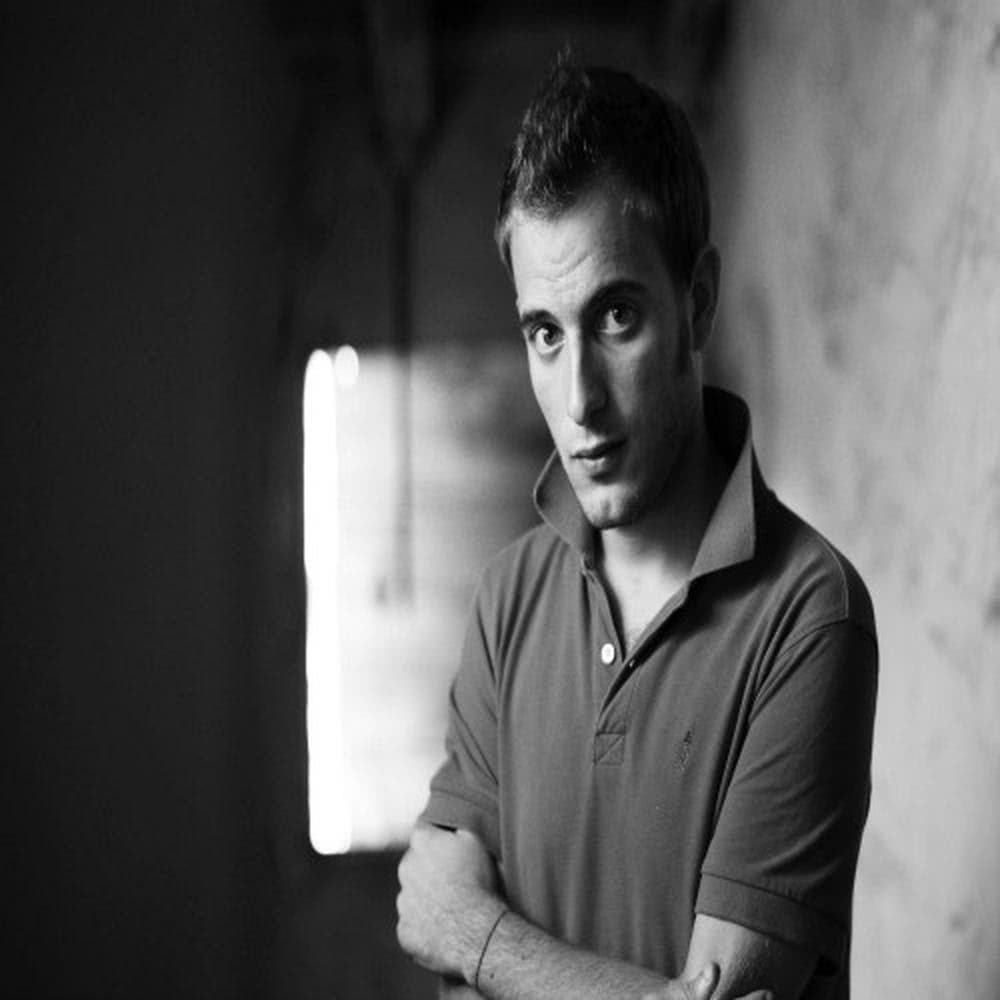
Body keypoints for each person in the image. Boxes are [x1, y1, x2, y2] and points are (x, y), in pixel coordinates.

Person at [396, 58, 878, 1000]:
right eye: (545, 332)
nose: (578, 399)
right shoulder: (507, 600)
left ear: (697, 304)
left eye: (616, 316)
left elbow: (453, 932)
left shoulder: (810, 615)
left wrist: (481, 938)